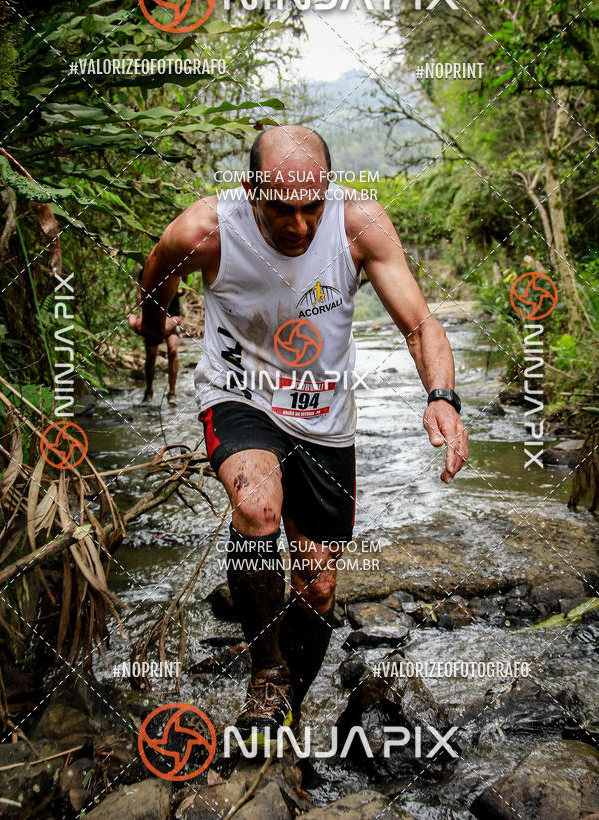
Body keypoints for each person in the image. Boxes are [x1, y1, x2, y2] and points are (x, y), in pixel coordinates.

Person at [129, 125, 468, 744]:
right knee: (257, 507)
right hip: (239, 396)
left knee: (318, 584)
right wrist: (157, 323)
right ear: (249, 189)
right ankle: (265, 671)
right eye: (281, 209)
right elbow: (157, 279)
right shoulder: (204, 230)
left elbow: (420, 322)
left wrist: (442, 398)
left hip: (324, 417)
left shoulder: (358, 225)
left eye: (312, 206)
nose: (300, 225)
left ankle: (286, 715)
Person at [128, 263, 184, 405]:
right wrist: (142, 310)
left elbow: (184, 287)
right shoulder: (145, 271)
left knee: (173, 350)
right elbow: (139, 293)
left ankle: (172, 393)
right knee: (151, 354)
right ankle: (149, 391)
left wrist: (178, 291)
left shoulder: (176, 267)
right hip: (152, 315)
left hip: (171, 313)